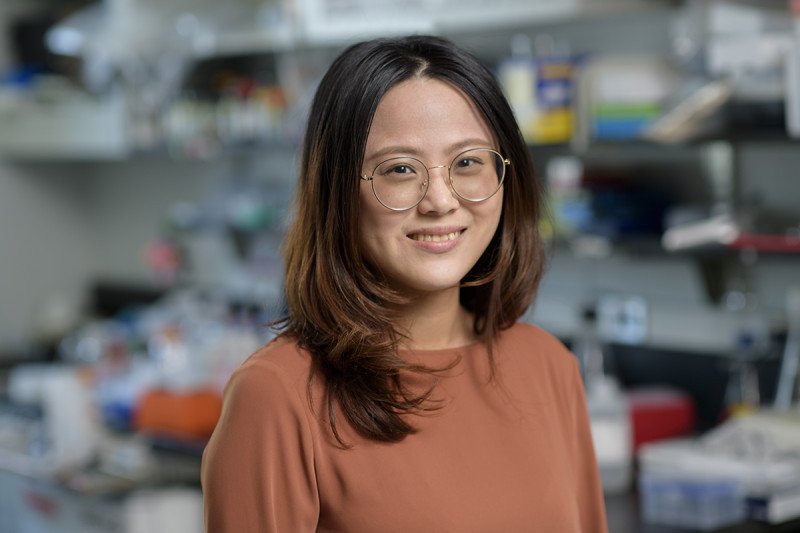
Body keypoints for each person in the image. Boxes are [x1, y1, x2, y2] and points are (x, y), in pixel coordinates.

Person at [201, 35, 607, 532]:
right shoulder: (276, 396)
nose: (440, 200)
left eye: (468, 162)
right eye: (399, 169)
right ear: (336, 191)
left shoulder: (548, 365)